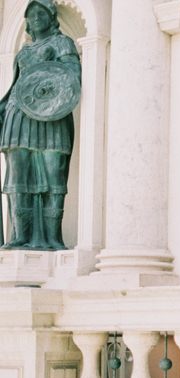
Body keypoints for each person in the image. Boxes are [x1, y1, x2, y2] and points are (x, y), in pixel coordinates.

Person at [0, 0, 81, 250]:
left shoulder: (62, 43)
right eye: (31, 14)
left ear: (51, 16)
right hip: (18, 116)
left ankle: (53, 237)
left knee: (54, 172)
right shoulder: (23, 52)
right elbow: (15, 86)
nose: (35, 18)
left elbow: (73, 78)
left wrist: (50, 75)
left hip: (52, 117)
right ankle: (19, 236)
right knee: (17, 176)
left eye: (41, 12)